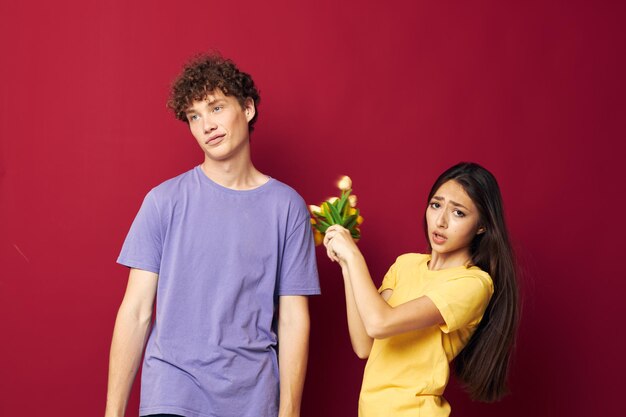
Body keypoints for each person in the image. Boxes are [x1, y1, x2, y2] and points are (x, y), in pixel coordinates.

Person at [105, 54, 320, 417]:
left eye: (216, 108)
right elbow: (136, 311)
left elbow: (293, 319)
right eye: (194, 116)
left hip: (251, 396)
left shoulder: (287, 207)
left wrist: (290, 411)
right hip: (172, 388)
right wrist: (113, 413)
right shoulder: (163, 202)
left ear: (248, 108)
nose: (207, 125)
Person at [323, 162, 519, 417]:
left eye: (459, 213)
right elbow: (365, 344)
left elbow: (380, 323)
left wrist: (355, 256)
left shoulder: (474, 284)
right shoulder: (406, 264)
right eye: (436, 205)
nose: (441, 221)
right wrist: (347, 265)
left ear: (482, 225)